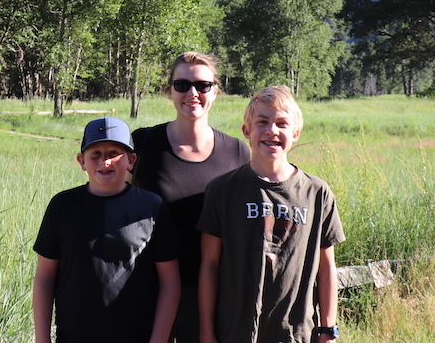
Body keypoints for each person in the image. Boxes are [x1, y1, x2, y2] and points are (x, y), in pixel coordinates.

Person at [197, 85, 345, 343]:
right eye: (262, 122)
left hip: (295, 332)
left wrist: (328, 329)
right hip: (234, 331)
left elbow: (327, 266)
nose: (272, 131)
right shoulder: (222, 190)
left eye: (282, 124)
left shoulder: (316, 192)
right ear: (247, 130)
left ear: (296, 132)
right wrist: (207, 332)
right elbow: (209, 264)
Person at [131, 52, 250, 343]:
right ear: (169, 90)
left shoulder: (238, 152)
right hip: (147, 290)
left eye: (203, 85)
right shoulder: (144, 144)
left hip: (213, 294)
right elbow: (114, 204)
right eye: (182, 85)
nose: (192, 93)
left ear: (216, 90)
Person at [33, 116, 181, 343]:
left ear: (131, 160)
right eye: (96, 154)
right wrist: (42, 339)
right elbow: (44, 277)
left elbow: (170, 281)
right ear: (82, 161)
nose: (106, 161)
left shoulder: (152, 206)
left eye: (114, 153)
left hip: (137, 336)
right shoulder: (62, 206)